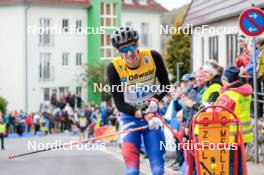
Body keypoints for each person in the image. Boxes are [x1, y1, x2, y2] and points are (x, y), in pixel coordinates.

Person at [107, 26, 170, 175]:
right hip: (130, 117)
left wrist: (155, 99)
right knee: (132, 171)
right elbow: (119, 103)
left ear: (138, 44)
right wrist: (141, 113)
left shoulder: (153, 57)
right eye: (123, 50)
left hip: (153, 116)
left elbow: (166, 85)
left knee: (158, 169)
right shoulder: (114, 68)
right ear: (118, 51)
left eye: (131, 47)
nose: (129, 53)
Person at [215, 66, 253, 175]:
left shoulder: (228, 95)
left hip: (231, 136)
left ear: (226, 81)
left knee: (231, 164)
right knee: (240, 162)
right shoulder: (245, 93)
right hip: (244, 134)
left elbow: (218, 114)